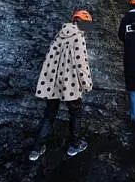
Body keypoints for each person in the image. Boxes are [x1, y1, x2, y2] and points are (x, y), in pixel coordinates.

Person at [28, 9, 94, 162]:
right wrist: (86, 84)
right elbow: (81, 63)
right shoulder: (78, 37)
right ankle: (75, 144)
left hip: (52, 82)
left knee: (49, 115)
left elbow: (49, 58)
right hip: (70, 84)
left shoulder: (60, 34)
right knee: (75, 113)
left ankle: (36, 149)